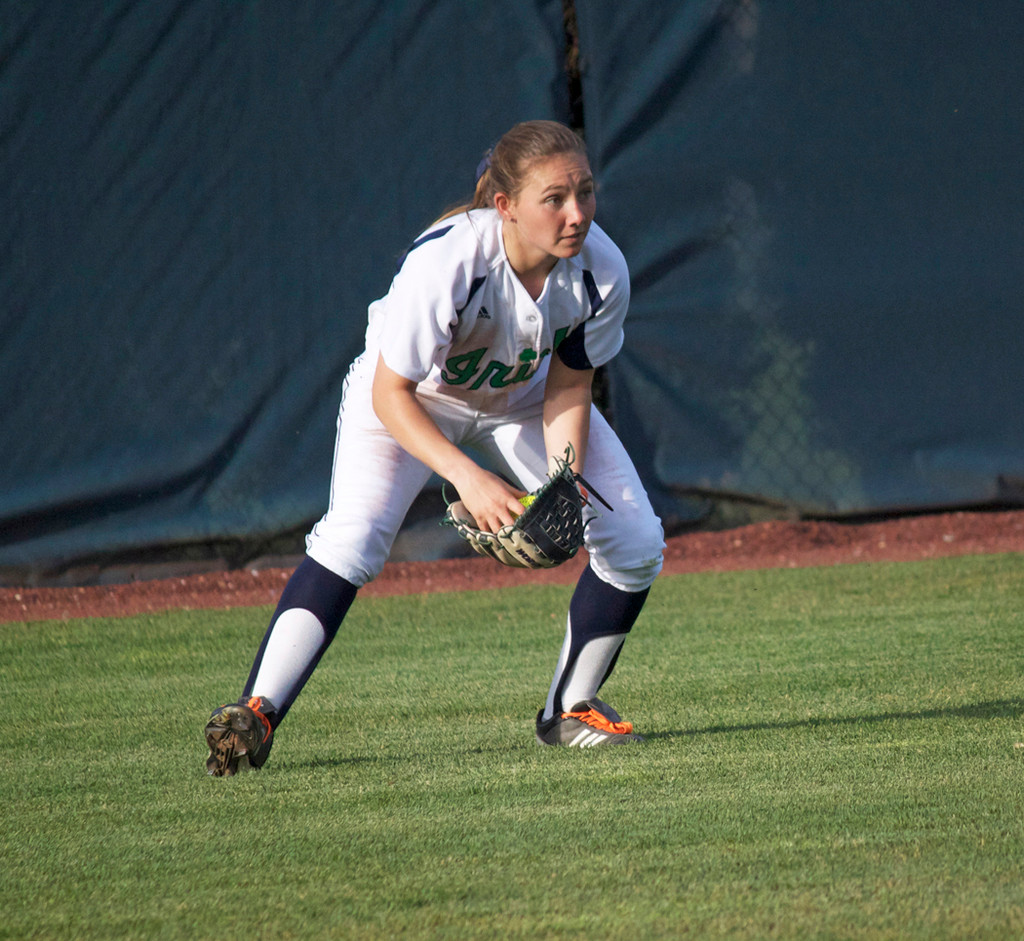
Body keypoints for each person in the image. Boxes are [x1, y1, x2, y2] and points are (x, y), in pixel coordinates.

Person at [204, 119, 665, 775]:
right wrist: (469, 477)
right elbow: (391, 393)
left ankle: (569, 710)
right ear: (505, 205)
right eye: (554, 198)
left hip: (523, 399)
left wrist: (563, 480)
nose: (577, 213)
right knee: (354, 540)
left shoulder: (601, 269)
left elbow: (569, 381)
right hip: (413, 397)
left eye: (585, 192)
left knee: (635, 540)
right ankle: (258, 709)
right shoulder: (451, 261)